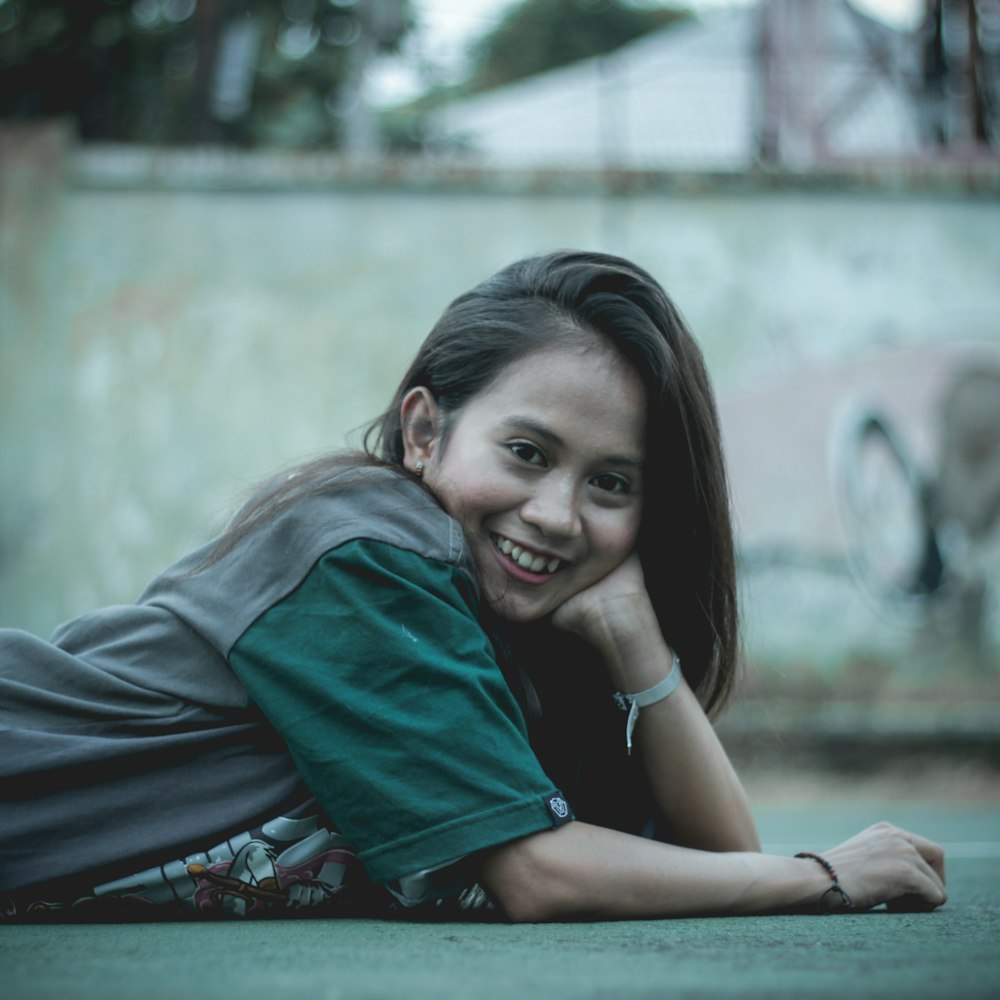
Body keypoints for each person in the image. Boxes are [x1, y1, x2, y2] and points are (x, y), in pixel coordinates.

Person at [0, 250, 946, 921]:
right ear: (424, 432)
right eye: (527, 453)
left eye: (611, 483)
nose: (556, 514)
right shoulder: (364, 552)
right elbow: (541, 876)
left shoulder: (518, 651)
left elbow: (718, 864)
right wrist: (821, 872)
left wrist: (638, 650)